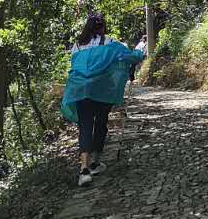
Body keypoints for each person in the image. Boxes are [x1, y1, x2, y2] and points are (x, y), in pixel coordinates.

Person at [62, 14, 146, 187]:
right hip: (102, 90)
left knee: (85, 126)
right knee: (100, 123)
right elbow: (131, 56)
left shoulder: (77, 46)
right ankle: (95, 163)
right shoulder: (109, 42)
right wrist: (140, 50)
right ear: (103, 27)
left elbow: (76, 66)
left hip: (78, 89)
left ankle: (84, 170)